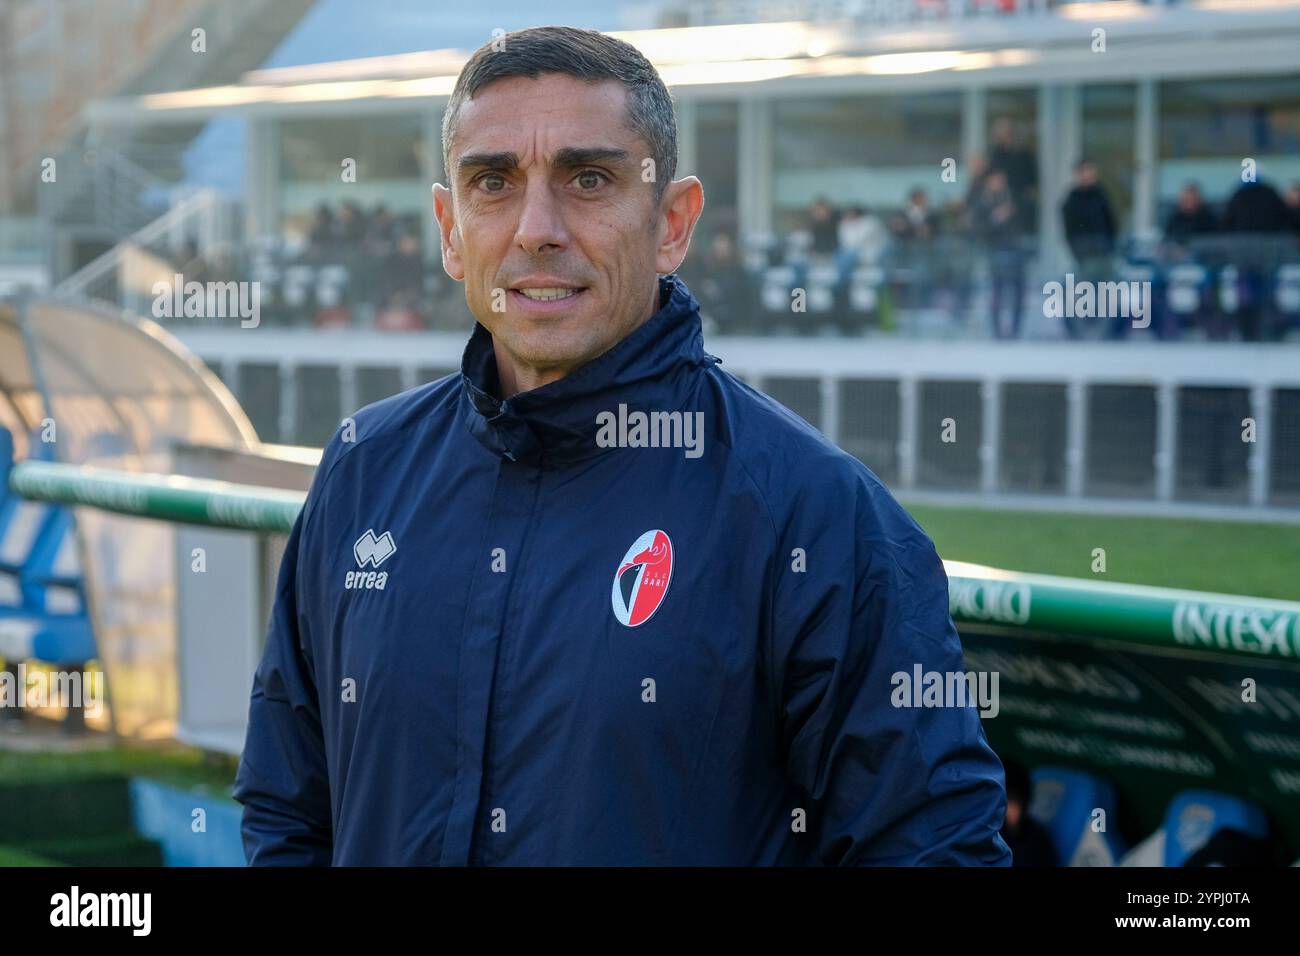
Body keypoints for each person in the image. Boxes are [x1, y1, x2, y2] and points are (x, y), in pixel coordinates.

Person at [233, 25, 1010, 867]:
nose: (536, 229)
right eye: (493, 182)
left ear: (672, 222)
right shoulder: (363, 471)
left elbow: (930, 849)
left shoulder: (813, 515)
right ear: (451, 229)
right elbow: (287, 807)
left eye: (589, 178)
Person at [1060, 160, 1118, 338]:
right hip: (1083, 256)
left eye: (1092, 172)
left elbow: (1112, 223)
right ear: (1078, 174)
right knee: (1078, 295)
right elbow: (1069, 231)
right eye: (1086, 172)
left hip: (1104, 253)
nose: (1090, 176)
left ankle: (1105, 333)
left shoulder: (1102, 195)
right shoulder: (1072, 199)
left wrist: (1111, 245)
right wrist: (1077, 252)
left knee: (1108, 295)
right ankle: (1078, 332)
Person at [971, 168, 1026, 339]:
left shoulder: (1011, 200)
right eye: (997, 180)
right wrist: (996, 218)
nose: (1000, 184)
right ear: (989, 182)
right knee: (997, 291)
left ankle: (1015, 331)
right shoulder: (981, 203)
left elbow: (1022, 224)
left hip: (1014, 251)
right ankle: (997, 331)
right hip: (994, 252)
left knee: (1018, 291)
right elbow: (978, 230)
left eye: (1002, 181)